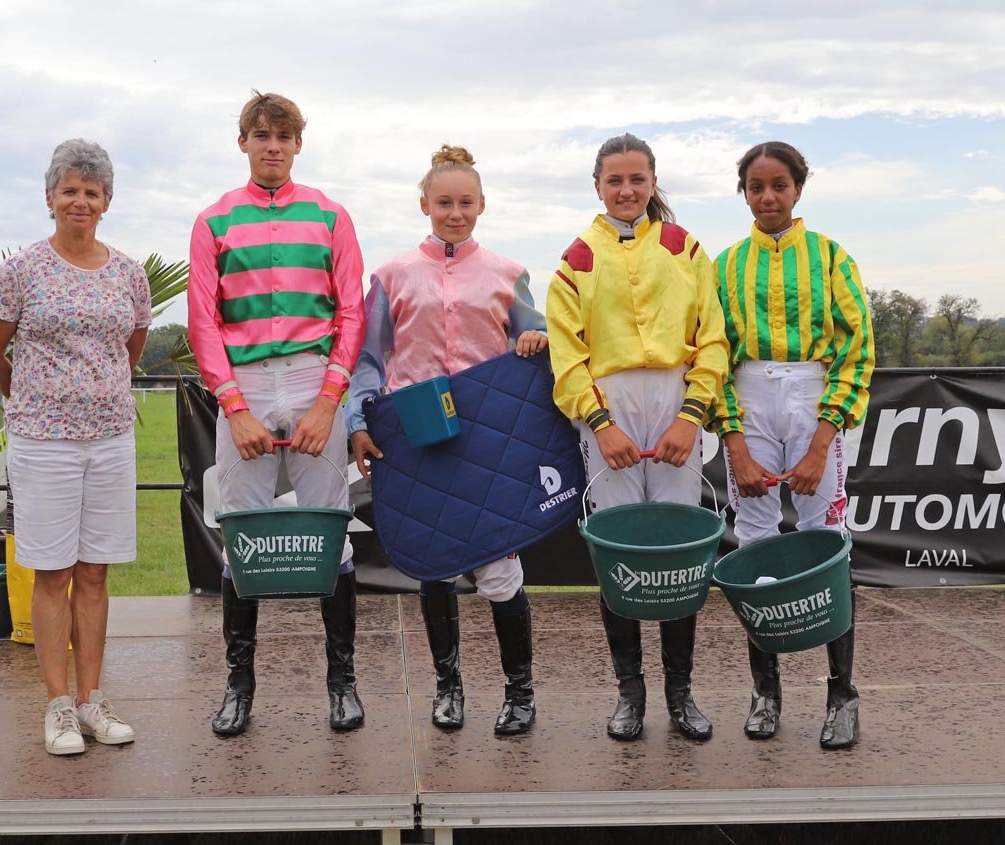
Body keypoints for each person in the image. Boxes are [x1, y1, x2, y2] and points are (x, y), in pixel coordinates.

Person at [346, 145, 547, 735]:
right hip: (416, 436)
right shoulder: (391, 275)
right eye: (444, 203)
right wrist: (358, 422)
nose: (455, 214)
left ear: (482, 205)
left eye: (465, 203)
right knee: (432, 566)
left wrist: (536, 339)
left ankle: (520, 694)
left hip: (488, 440)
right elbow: (368, 359)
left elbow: (535, 340)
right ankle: (448, 689)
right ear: (424, 204)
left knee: (500, 572)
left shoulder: (508, 273)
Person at [188, 92, 366, 736]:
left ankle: (342, 683)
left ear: (297, 145)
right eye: (260, 136)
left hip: (314, 377)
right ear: (243, 142)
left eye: (283, 137)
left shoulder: (331, 216)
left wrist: (328, 401)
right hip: (247, 384)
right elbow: (203, 321)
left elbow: (351, 313)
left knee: (332, 530)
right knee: (241, 534)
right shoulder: (213, 221)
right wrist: (234, 409)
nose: (272, 147)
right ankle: (239, 687)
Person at [546, 133, 728, 742]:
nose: (626, 191)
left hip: (676, 401)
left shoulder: (686, 248)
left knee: (680, 554)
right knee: (618, 554)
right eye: (615, 181)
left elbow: (713, 339)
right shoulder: (576, 259)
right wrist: (600, 425)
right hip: (609, 405)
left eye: (637, 180)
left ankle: (681, 691)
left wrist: (691, 415)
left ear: (653, 182)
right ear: (597, 186)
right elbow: (567, 357)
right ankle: (630, 693)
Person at [0, 138, 150, 756]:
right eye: (70, 190)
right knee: (52, 573)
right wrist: (32, 399)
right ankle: (57, 708)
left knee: (95, 572)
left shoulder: (128, 273)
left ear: (108, 200)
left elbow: (129, 350)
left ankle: (91, 700)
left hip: (110, 439)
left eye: (92, 191)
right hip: (43, 442)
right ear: (49, 197)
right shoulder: (21, 270)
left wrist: (94, 395)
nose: (81, 200)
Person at [710, 141, 874, 749]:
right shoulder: (725, 265)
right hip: (748, 395)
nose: (767, 197)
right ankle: (765, 693)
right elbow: (712, 355)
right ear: (744, 194)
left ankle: (842, 695)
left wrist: (822, 442)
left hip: (813, 393)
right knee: (754, 542)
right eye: (755, 187)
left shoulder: (830, 256)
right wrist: (734, 444)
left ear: (798, 189)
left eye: (778, 185)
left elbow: (857, 348)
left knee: (826, 540)